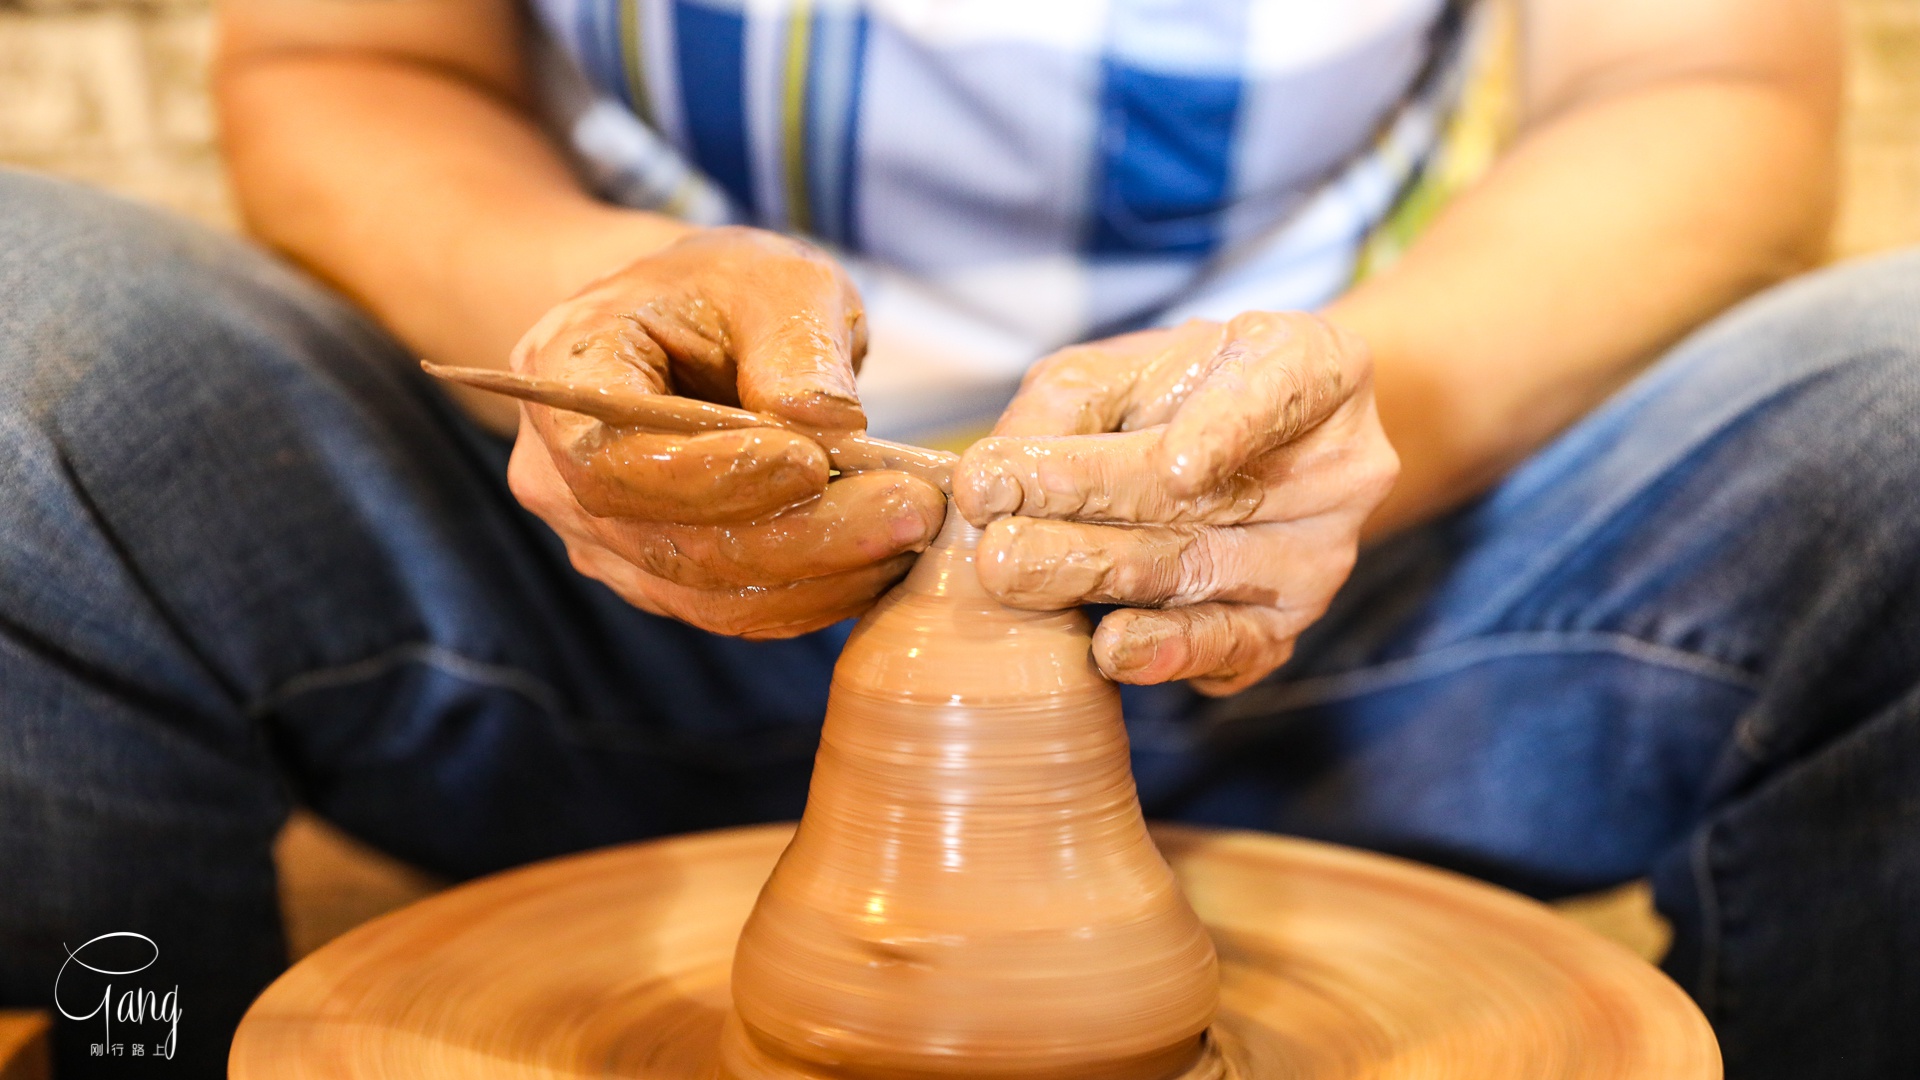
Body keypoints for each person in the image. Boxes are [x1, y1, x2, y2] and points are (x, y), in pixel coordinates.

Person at [2, 0, 1914, 1076]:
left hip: (1353, 586)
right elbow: (352, 60)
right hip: (602, 580)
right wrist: (596, 335)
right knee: (25, 337)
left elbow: (1703, 86)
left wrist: (1377, 399)